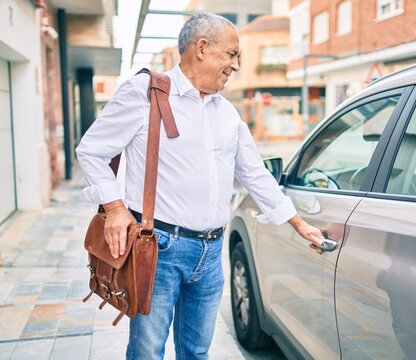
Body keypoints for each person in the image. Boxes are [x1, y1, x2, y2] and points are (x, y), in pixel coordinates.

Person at [76, 12, 325, 360]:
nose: (236, 65)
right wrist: (116, 208)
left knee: (197, 351)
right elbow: (91, 150)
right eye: (231, 54)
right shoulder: (144, 93)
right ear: (202, 49)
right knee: (147, 351)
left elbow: (254, 173)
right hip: (158, 248)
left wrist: (297, 223)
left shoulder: (227, 113)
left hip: (210, 254)